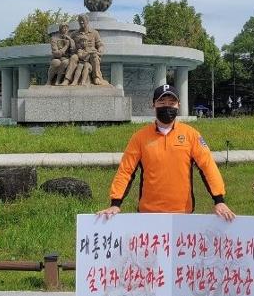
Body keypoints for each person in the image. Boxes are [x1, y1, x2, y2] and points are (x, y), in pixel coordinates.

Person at [98, 85, 235, 221]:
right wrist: (115, 203)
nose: (167, 107)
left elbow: (207, 166)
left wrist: (219, 200)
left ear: (178, 105)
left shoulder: (191, 135)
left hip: (183, 214)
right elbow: (126, 170)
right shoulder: (139, 137)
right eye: (162, 103)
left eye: (171, 103)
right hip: (148, 215)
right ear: (153, 105)